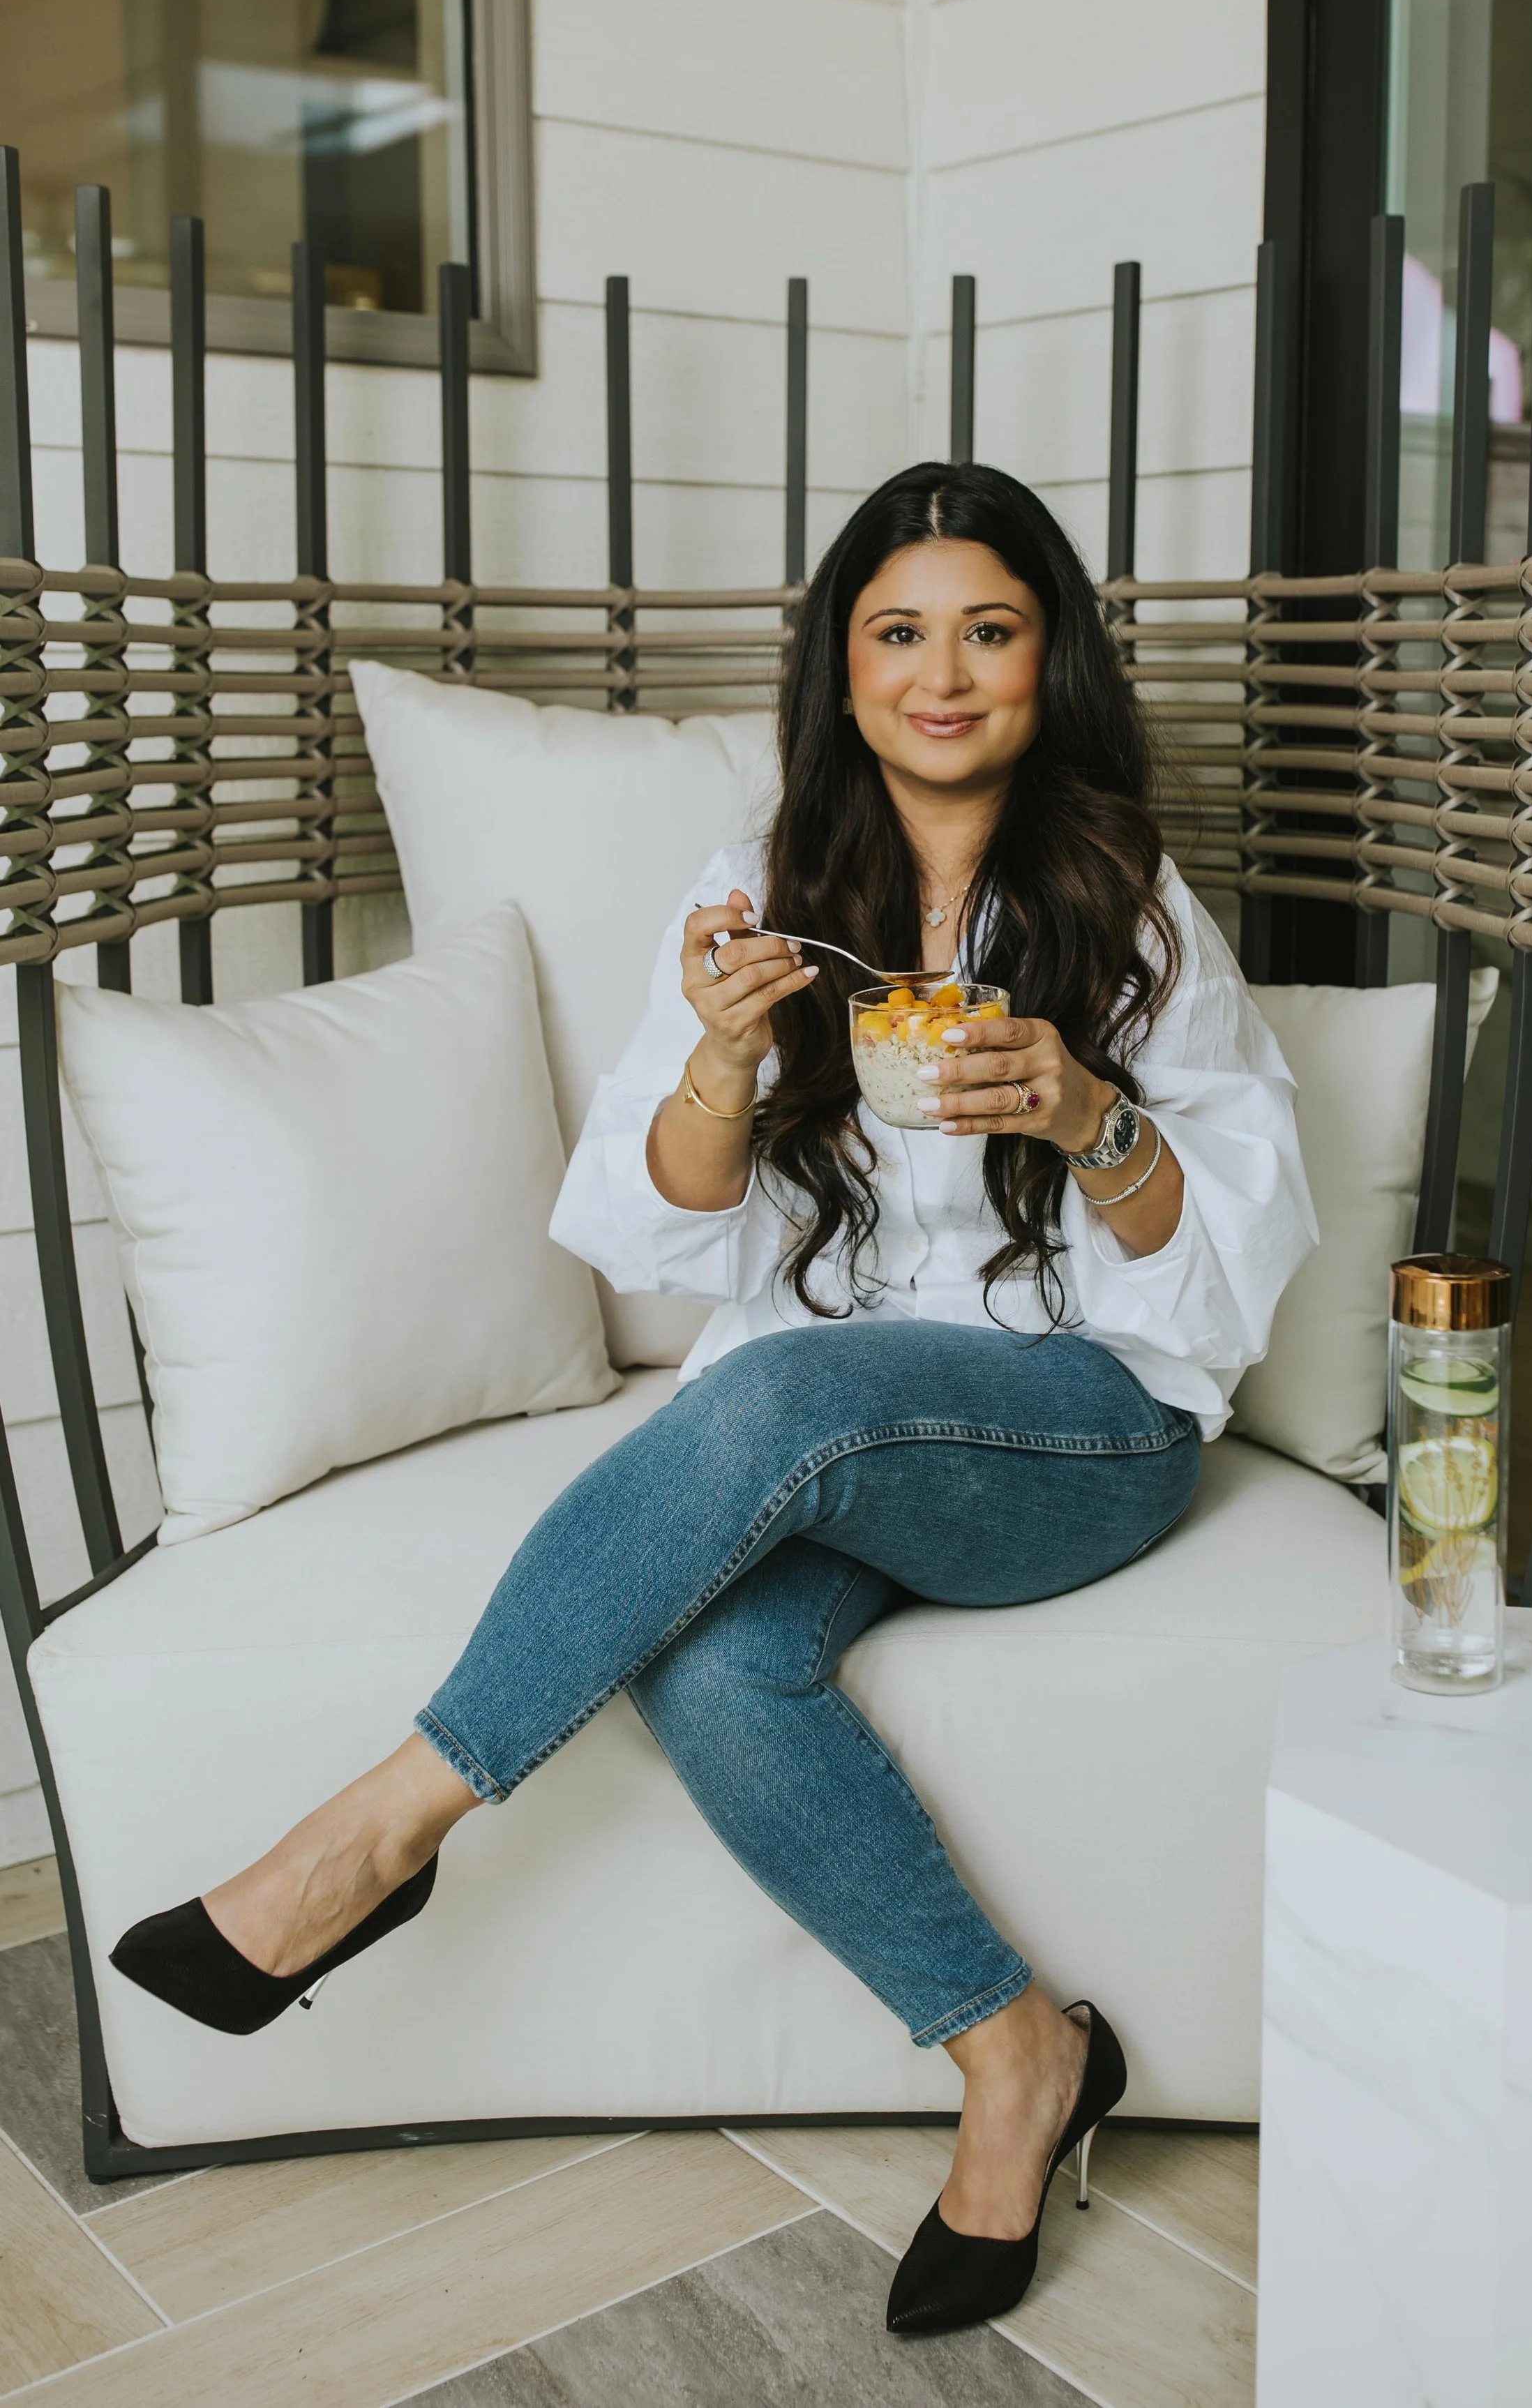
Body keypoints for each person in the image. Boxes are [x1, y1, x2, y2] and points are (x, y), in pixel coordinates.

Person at [111, 462, 1313, 2336]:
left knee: (772, 1396)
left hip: (1079, 1432)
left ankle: (371, 1836)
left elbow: (1225, 1263)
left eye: (988, 631)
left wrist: (1088, 1112)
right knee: (715, 1659)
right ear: (840, 668)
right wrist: (724, 1057)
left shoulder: (1122, 899)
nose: (941, 675)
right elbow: (663, 1212)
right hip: (842, 1438)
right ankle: (1017, 2051)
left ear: (1049, 657)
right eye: (897, 633)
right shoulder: (766, 888)